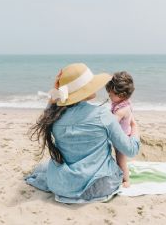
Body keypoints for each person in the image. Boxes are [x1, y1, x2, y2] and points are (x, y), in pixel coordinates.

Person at [26, 63, 140, 203]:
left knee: (43, 167)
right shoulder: (102, 115)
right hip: (99, 186)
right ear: (84, 90)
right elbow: (131, 150)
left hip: (63, 185)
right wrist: (134, 127)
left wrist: (56, 91)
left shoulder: (53, 117)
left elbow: (48, 111)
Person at [105, 71, 135, 187]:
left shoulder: (122, 110)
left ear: (121, 95)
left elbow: (112, 122)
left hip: (122, 137)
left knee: (120, 159)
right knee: (119, 157)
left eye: (111, 94)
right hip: (120, 134)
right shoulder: (123, 103)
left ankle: (126, 180)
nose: (109, 96)